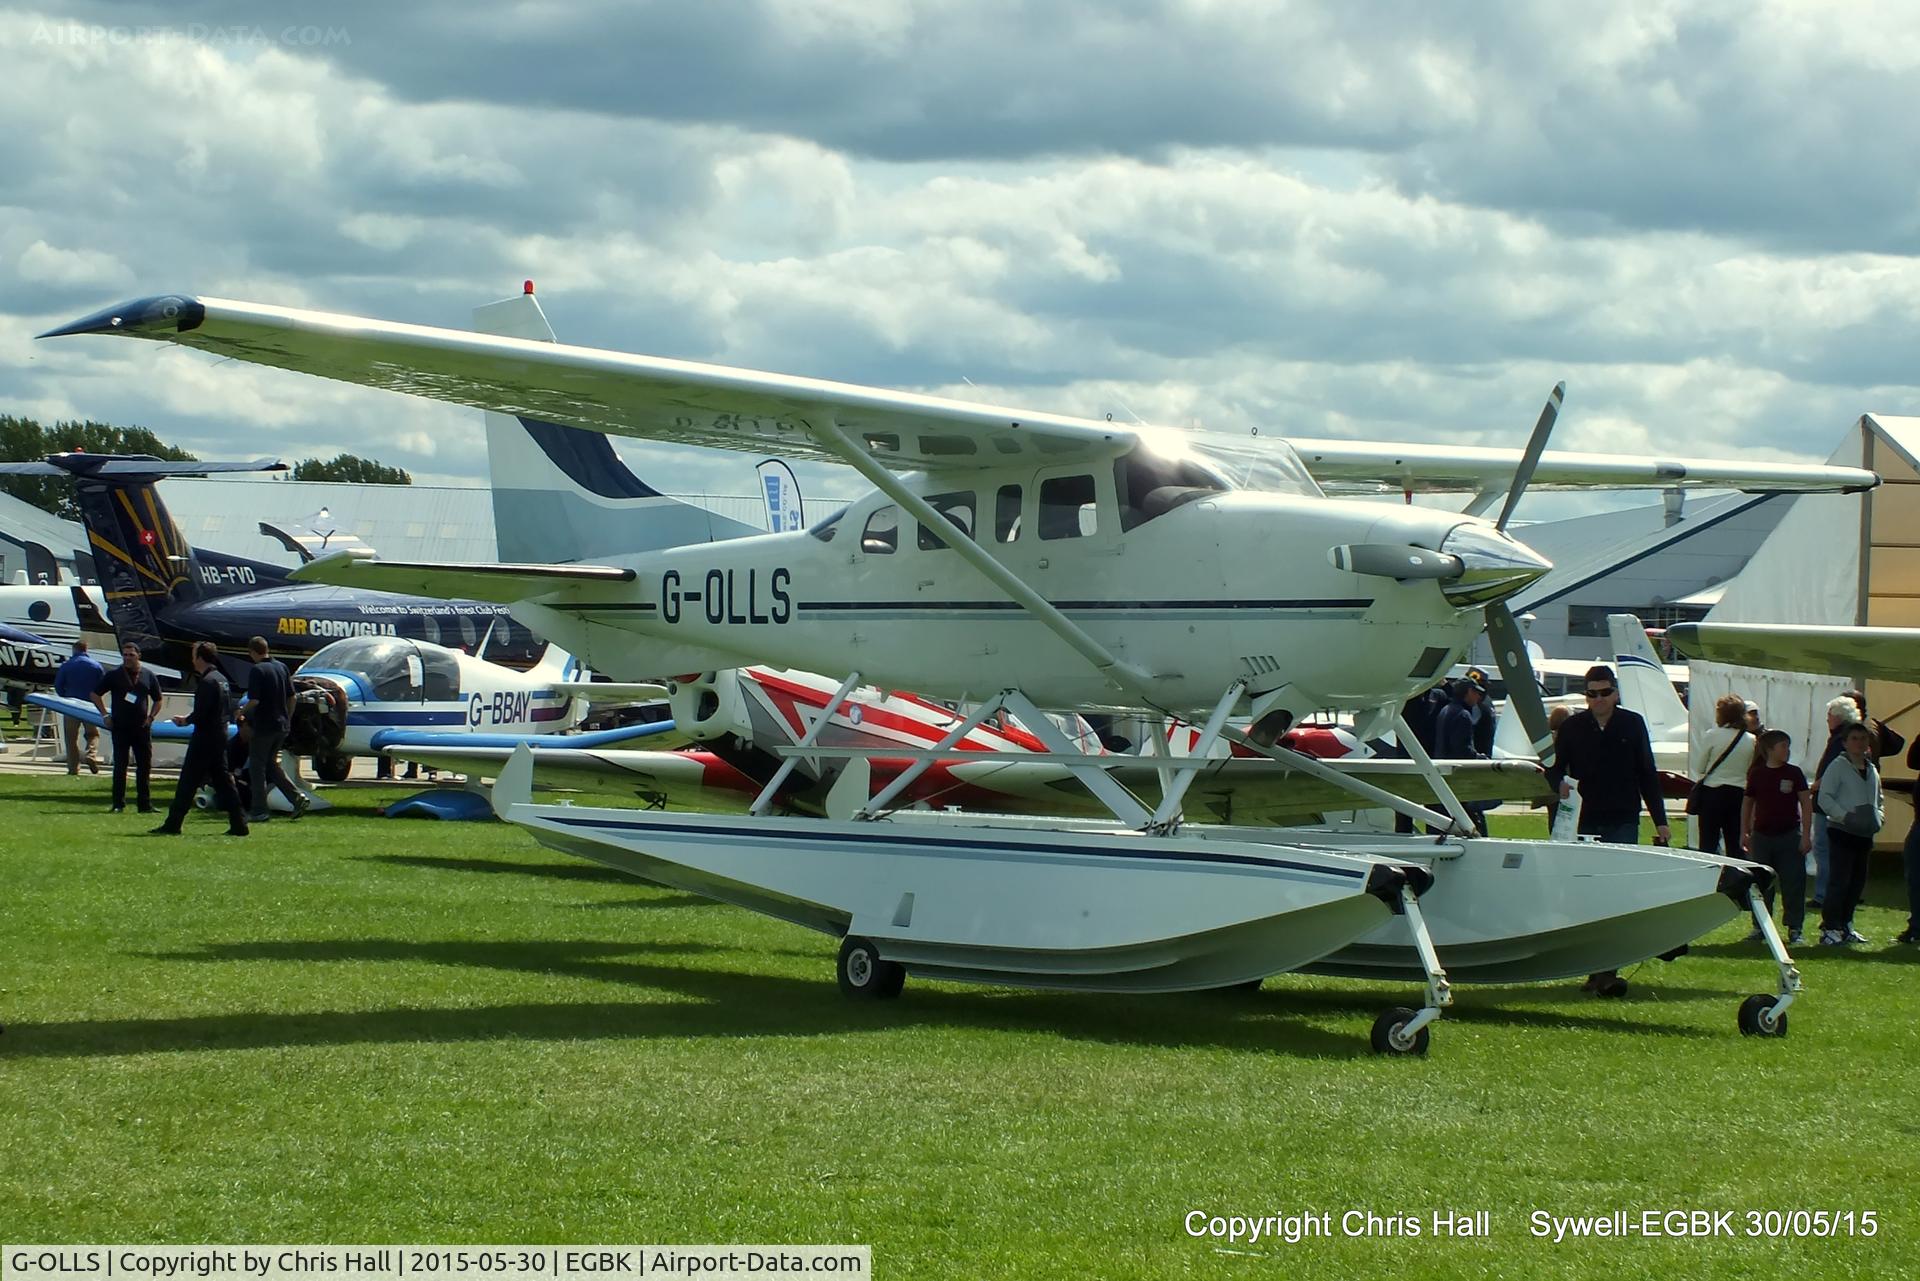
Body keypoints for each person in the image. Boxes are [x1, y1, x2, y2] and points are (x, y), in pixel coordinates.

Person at [1546, 664, 1671, 997]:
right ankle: (1594, 969)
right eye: (1591, 694)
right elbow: (1554, 769)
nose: (1598, 700)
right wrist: (1559, 784)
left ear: (1615, 693)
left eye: (1604, 693)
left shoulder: (1632, 723)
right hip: (1583, 820)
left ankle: (1607, 971)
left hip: (1623, 817)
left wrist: (1661, 820)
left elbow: (1648, 772)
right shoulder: (1572, 727)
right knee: (1586, 891)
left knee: (1616, 891)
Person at [151, 641, 249, 837]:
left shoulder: (207, 682)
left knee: (188, 781)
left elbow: (203, 712)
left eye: (194, 655)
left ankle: (173, 823)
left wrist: (185, 720)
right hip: (219, 736)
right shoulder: (222, 679)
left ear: (200, 657)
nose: (192, 659)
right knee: (224, 783)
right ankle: (239, 823)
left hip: (205, 738)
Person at [1742, 729, 1813, 946]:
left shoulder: (1794, 773)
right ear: (1770, 749)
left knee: (1793, 883)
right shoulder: (1757, 774)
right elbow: (1748, 803)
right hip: (1762, 836)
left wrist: (1806, 835)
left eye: (1788, 746)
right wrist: (1744, 831)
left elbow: (1806, 803)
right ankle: (1760, 927)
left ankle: (1795, 928)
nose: (1787, 750)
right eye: (1783, 746)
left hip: (1789, 834)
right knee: (1761, 884)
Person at [1815, 722, 1880, 946]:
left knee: (1856, 882)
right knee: (1839, 881)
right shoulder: (1838, 766)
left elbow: (1878, 798)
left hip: (1864, 833)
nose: (1860, 743)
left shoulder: (1871, 769)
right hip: (1842, 831)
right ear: (1845, 743)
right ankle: (1830, 927)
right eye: (1854, 738)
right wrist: (1843, 816)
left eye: (1863, 739)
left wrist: (1879, 816)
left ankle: (1846, 924)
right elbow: (1825, 797)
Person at [241, 636, 307, 821]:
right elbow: (292, 697)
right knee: (271, 765)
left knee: (257, 768)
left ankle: (259, 810)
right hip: (281, 725)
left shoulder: (257, 670)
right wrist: (288, 718)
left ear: (252, 652)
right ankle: (297, 797)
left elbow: (254, 700)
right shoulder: (281, 667)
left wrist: (240, 712)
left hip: (263, 726)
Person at [93, 640, 163, 812]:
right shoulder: (114, 675)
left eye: (131, 655)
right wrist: (105, 714)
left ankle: (144, 804)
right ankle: (118, 803)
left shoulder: (148, 675)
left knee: (144, 766)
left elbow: (158, 699)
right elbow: (95, 694)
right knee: (120, 766)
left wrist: (151, 717)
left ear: (138, 656)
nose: (127, 658)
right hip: (121, 727)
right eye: (124, 655)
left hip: (141, 728)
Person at [1808, 695, 1863, 911]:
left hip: (1830, 804)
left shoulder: (1842, 738)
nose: (1827, 719)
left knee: (1824, 849)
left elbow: (1835, 768)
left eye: (1829, 715)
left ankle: (1824, 894)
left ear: (1837, 716)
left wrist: (1817, 786)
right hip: (1843, 804)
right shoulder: (1848, 736)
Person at [1689, 694, 1752, 858]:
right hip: (1738, 794)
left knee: (1708, 843)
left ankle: (1708, 878)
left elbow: (1700, 767)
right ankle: (1736, 879)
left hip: (1713, 794)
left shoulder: (1712, 735)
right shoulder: (1751, 739)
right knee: (1735, 844)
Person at [1433, 672, 1494, 834]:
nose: (1477, 696)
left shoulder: (1446, 710)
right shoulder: (1463, 715)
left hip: (1443, 774)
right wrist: (1481, 758)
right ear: (1467, 692)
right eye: (1475, 692)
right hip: (1457, 778)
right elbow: (1462, 750)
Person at [52, 640, 104, 774]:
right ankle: (91, 754)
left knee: (71, 738)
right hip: (90, 705)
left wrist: (64, 697)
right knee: (93, 734)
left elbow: (58, 685)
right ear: (86, 649)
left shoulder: (66, 665)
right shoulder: (96, 666)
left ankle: (73, 768)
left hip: (71, 705)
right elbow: (102, 685)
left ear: (74, 649)